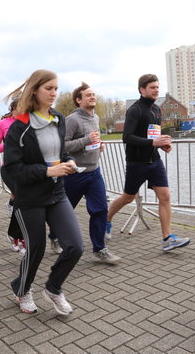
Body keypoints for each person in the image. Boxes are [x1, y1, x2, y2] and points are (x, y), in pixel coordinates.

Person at [3, 69, 84, 315]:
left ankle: (53, 288)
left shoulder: (58, 118)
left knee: (75, 247)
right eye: (49, 88)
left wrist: (68, 162)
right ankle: (22, 289)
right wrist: (47, 171)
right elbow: (13, 170)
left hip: (57, 194)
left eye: (56, 88)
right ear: (35, 90)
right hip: (29, 198)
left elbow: (61, 154)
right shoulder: (19, 127)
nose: (54, 93)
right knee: (36, 249)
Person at [106, 74, 190, 251]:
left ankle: (167, 239)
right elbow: (127, 137)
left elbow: (154, 136)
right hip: (137, 162)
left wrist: (162, 146)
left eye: (157, 87)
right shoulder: (135, 110)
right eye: (152, 87)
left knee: (165, 196)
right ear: (142, 90)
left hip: (154, 161)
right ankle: (106, 220)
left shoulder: (157, 110)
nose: (156, 90)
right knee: (128, 197)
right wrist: (153, 143)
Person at [64, 82, 121, 264]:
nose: (93, 97)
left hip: (94, 171)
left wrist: (99, 145)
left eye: (93, 94)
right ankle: (54, 235)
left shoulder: (95, 117)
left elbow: (93, 139)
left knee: (100, 209)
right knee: (64, 211)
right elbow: (64, 146)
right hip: (75, 172)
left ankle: (99, 249)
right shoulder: (71, 120)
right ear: (78, 100)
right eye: (88, 95)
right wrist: (87, 140)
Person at [0, 97, 25, 254]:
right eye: (21, 106)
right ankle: (21, 239)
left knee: (23, 201)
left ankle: (15, 236)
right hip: (9, 168)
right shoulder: (3, 124)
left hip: (27, 168)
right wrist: (9, 144)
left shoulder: (30, 122)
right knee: (22, 199)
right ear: (13, 108)